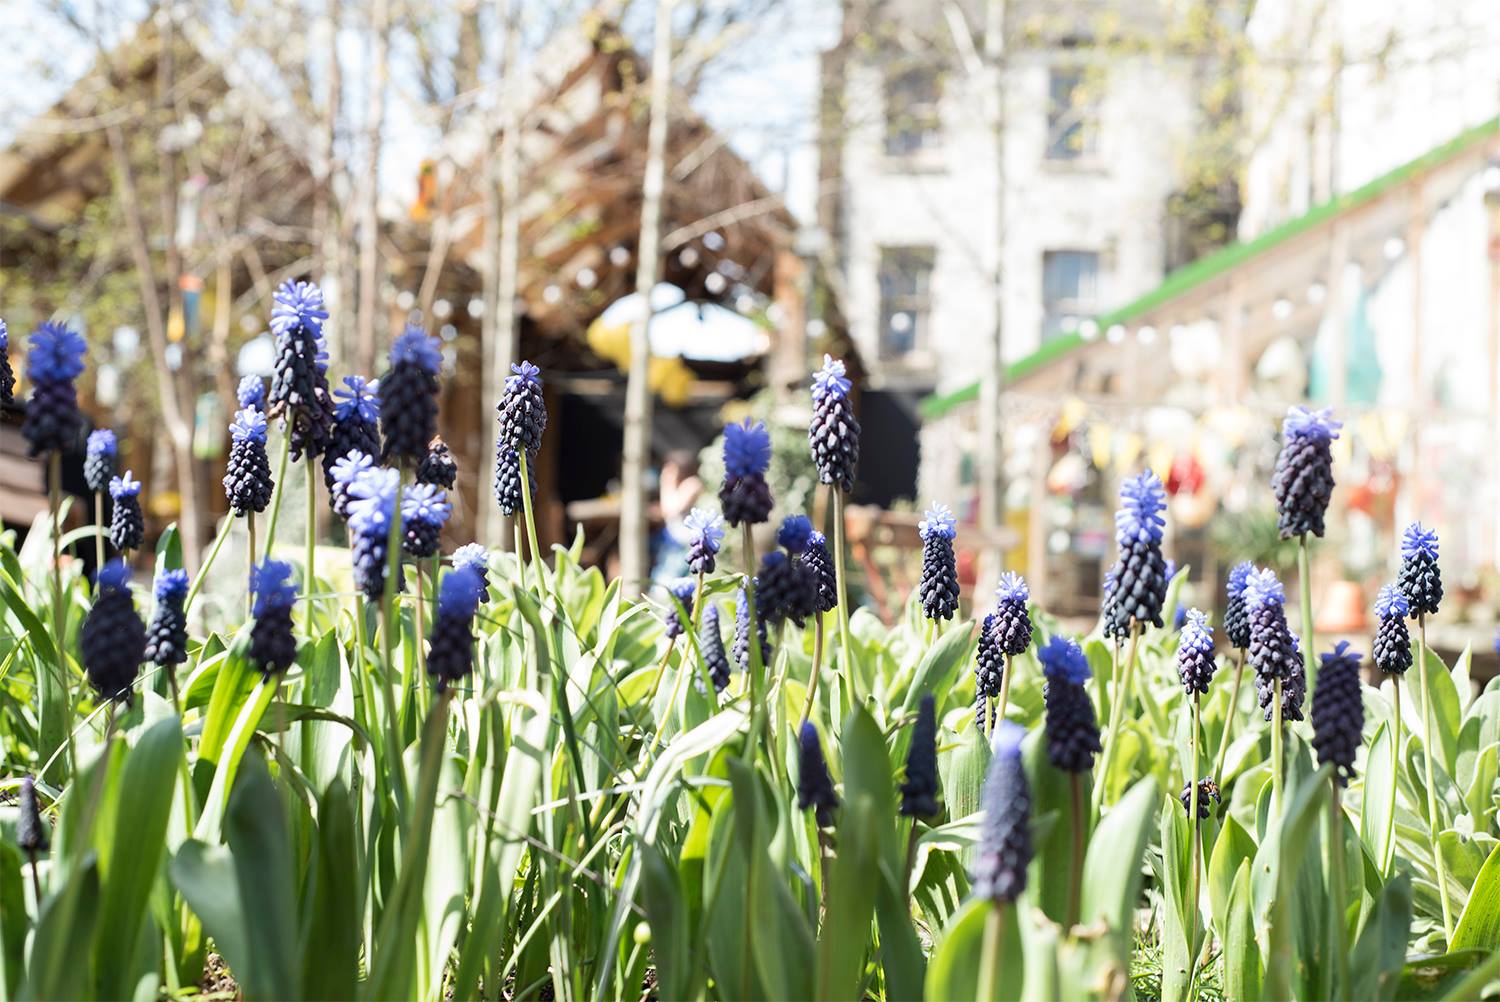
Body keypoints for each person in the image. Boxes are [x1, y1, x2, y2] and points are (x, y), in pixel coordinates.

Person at [651, 449, 704, 582]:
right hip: (671, 544)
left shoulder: (693, 484)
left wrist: (666, 482)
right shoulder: (679, 486)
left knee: (670, 583)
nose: (666, 471)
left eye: (670, 468)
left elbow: (670, 510)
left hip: (685, 546)